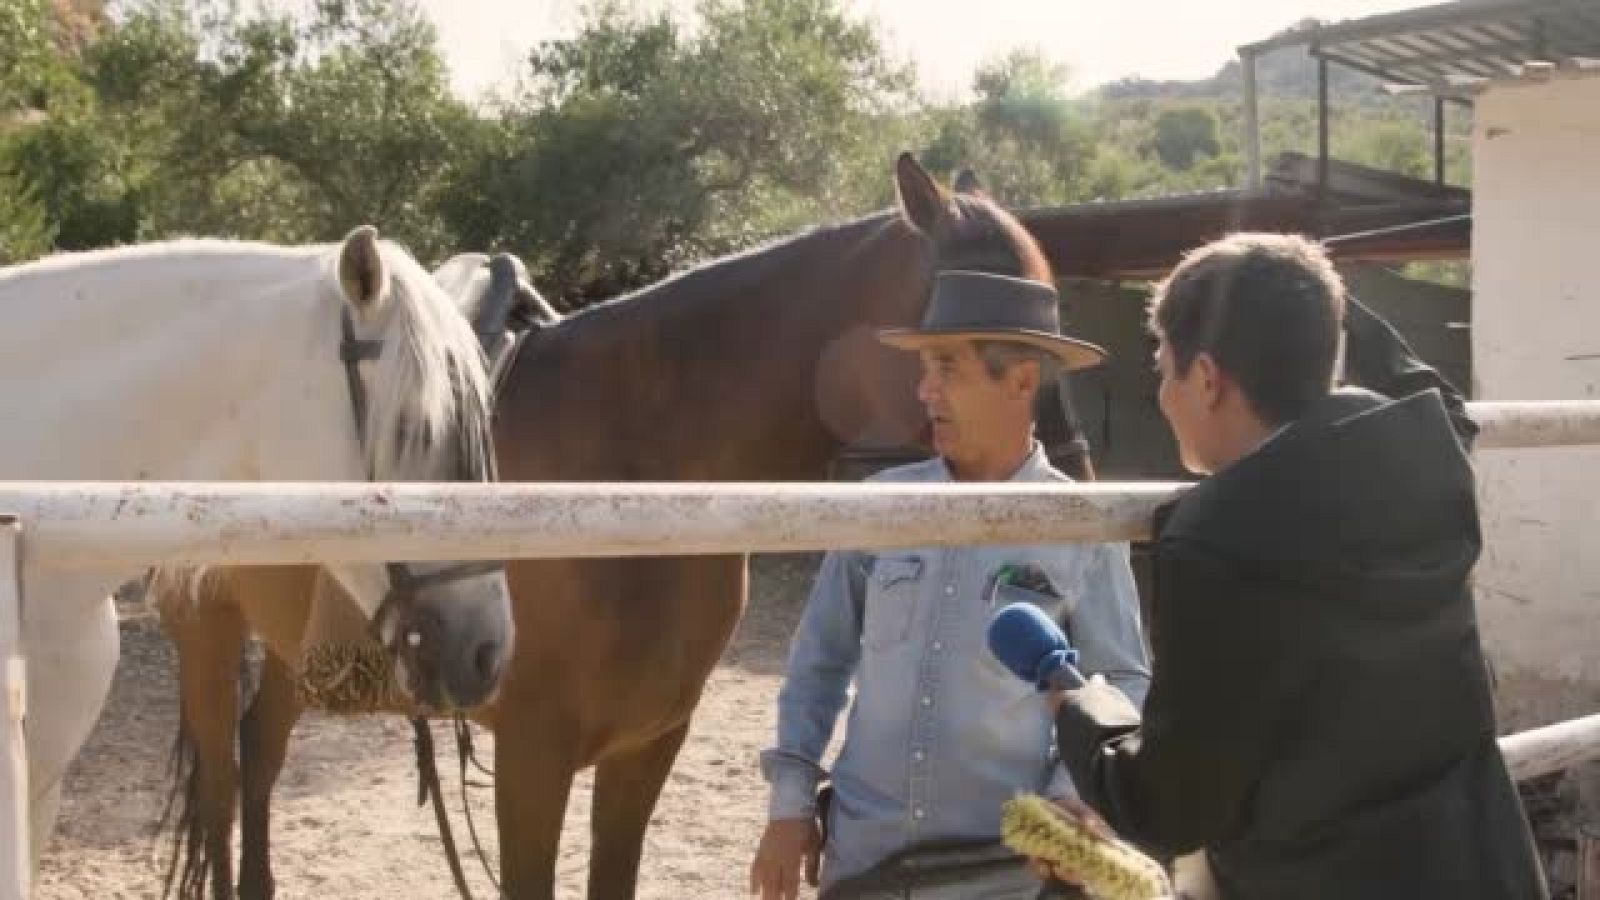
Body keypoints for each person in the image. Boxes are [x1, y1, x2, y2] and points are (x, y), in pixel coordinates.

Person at [1035, 233, 1547, 899]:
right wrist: (1306, 293)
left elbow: (1171, 807)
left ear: (1208, 379)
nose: (1161, 395)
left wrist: (1077, 702)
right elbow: (1426, 387)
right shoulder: (1427, 455)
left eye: (1164, 370)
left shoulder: (1217, 541)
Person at [749, 270, 1153, 900]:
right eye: (924, 370)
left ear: (1022, 381)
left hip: (1004, 877)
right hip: (863, 863)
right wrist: (790, 805)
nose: (924, 390)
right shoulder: (879, 507)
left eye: (947, 369)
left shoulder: (1083, 527)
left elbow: (1121, 678)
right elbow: (817, 663)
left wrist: (1067, 798)